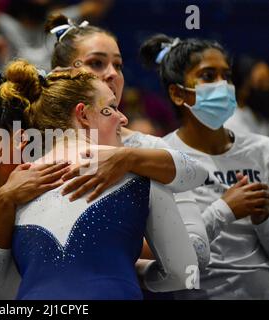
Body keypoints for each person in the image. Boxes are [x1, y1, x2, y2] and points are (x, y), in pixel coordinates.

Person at [0, 60, 199, 299]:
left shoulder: (126, 166)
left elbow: (192, 172)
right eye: (112, 108)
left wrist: (129, 157)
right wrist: (4, 199)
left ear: (20, 139)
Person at [139, 33, 269, 299]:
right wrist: (224, 210)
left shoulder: (262, 149)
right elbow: (172, 258)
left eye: (227, 76)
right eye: (208, 76)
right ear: (177, 93)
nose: (223, 85)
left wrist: (263, 220)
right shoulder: (162, 157)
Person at [43, 13, 207, 203]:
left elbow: (197, 174)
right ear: (60, 75)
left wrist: (129, 158)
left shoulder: (143, 147)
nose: (113, 73)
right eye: (96, 63)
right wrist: (6, 199)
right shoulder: (31, 141)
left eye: (118, 65)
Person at [225, 56, 269, 136]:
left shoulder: (258, 117)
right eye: (261, 83)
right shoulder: (231, 122)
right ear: (243, 89)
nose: (266, 87)